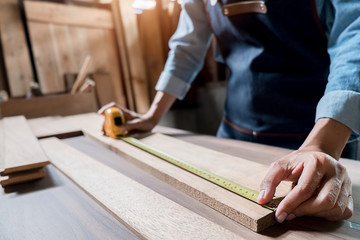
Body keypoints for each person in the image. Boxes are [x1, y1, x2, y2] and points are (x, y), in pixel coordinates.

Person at [100, 0, 358, 223]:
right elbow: (186, 48)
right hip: (235, 130)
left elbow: (354, 35)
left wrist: (323, 146)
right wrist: (152, 115)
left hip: (316, 135)